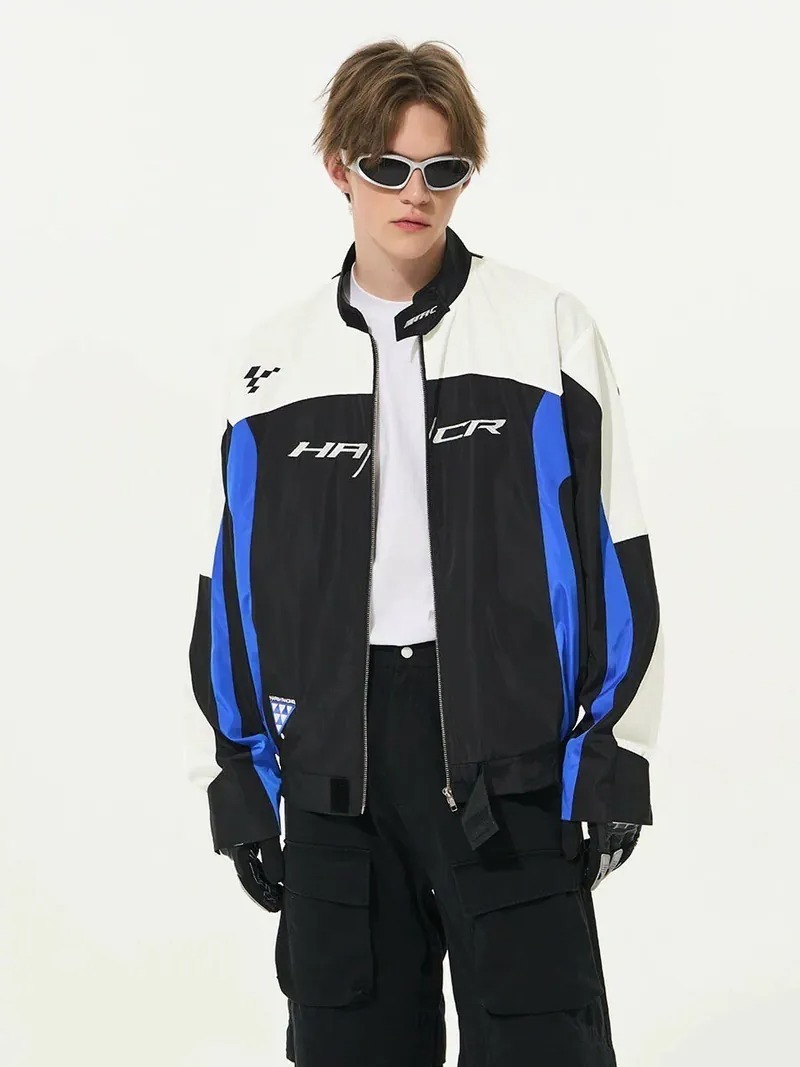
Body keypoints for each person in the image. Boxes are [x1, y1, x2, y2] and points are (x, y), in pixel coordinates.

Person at [185, 37, 664, 1067]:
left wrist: (611, 762)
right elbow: (233, 590)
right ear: (340, 168)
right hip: (335, 776)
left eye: (442, 168)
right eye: (388, 166)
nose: (416, 192)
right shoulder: (270, 363)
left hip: (510, 766)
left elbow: (616, 555)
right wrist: (241, 776)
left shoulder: (543, 329)